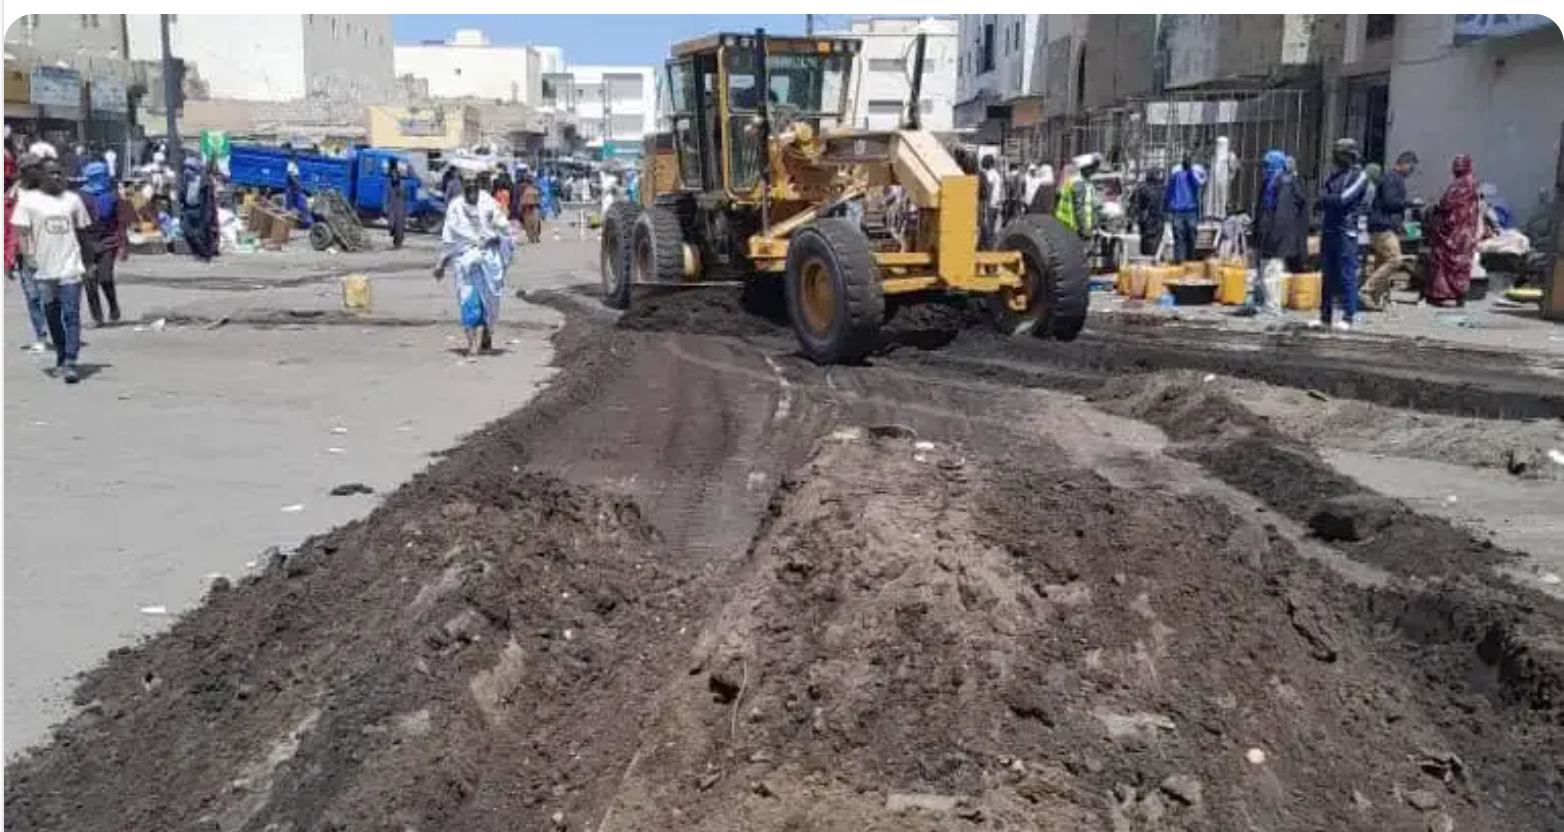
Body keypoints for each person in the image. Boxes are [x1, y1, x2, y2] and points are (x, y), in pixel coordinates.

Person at [11, 159, 92, 382]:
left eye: (59, 173)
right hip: (45, 269)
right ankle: (61, 354)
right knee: (52, 316)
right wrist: (28, 258)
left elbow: (84, 233)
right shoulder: (29, 202)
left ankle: (71, 361)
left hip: (70, 266)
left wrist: (90, 262)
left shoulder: (73, 200)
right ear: (42, 177)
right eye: (51, 173)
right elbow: (22, 233)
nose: (56, 177)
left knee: (72, 314)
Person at [433, 173, 512, 356]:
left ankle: (486, 333)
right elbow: (449, 238)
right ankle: (472, 345)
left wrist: (495, 238)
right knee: (468, 301)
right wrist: (441, 264)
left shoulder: (488, 202)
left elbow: (504, 229)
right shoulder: (455, 207)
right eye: (467, 186)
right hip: (465, 260)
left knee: (489, 302)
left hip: (488, 260)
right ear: (462, 186)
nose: (471, 190)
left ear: (479, 185)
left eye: (474, 186)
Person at [1318, 138, 1370, 330]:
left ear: (1350, 155)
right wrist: (1327, 200)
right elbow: (1321, 197)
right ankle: (1325, 316)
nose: (1336, 158)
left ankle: (1348, 316)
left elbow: (1343, 199)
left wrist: (1327, 200)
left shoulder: (1360, 176)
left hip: (1346, 231)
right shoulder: (1334, 176)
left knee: (1347, 274)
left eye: (1340, 154)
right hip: (1329, 229)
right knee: (1327, 274)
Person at [1250, 149, 1308, 315]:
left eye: (1267, 165)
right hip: (1269, 233)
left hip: (1276, 234)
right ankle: (1270, 304)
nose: (1264, 168)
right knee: (1267, 270)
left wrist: (1272, 235)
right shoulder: (1272, 181)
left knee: (1272, 270)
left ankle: (1273, 307)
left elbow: (1280, 214)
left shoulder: (1283, 182)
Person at [1361, 150, 1417, 311]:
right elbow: (1390, 202)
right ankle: (1367, 289)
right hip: (1383, 226)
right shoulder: (1393, 178)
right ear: (1405, 164)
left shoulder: (1391, 177)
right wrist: (1409, 203)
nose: (1411, 172)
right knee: (1395, 260)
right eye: (1411, 168)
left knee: (1382, 262)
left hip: (1379, 225)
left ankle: (1376, 300)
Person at [1423, 155, 1482, 307]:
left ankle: (1441, 295)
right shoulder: (1472, 183)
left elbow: (1447, 203)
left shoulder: (1461, 184)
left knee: (1444, 260)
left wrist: (1435, 208)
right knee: (1461, 263)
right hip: (1465, 232)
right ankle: (1459, 294)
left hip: (1453, 231)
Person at [8, 152, 52, 352]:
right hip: (24, 253)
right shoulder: (13, 195)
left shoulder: (50, 192)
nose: (37, 172)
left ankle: (59, 331)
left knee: (51, 294)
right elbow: (9, 229)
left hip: (49, 249)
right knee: (33, 296)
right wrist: (8, 258)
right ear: (24, 172)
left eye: (38, 167)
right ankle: (41, 336)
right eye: (32, 168)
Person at [78, 161, 131, 326]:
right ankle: (97, 317)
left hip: (108, 241)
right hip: (85, 242)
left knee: (105, 278)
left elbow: (122, 221)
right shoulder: (79, 196)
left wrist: (123, 245)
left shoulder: (113, 195)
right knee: (90, 281)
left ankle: (113, 306)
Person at [1164, 155, 1204, 262]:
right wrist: (1167, 205)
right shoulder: (1177, 175)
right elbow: (1169, 191)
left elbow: (1199, 183)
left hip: (1189, 210)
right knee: (1180, 236)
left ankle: (1189, 261)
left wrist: (1190, 170)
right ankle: (1181, 261)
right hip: (1180, 210)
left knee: (1188, 236)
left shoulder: (1193, 174)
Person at [180, 157, 217, 262]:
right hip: (188, 209)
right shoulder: (185, 181)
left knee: (203, 234)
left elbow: (209, 200)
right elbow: (182, 195)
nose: (187, 170)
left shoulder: (204, 182)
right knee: (187, 231)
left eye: (190, 168)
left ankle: (205, 254)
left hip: (201, 209)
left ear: (196, 169)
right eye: (186, 167)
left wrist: (209, 214)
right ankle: (197, 252)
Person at [1128, 168, 1167, 257]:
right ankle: (1154, 258)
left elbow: (1133, 203)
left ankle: (1148, 259)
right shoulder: (1163, 188)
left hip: (1147, 219)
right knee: (1155, 241)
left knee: (1147, 241)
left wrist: (1132, 219)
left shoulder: (1141, 187)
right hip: (1157, 219)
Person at [980, 155, 1004, 248]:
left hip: (990, 205)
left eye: (984, 162)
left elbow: (988, 189)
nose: (982, 164)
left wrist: (985, 205)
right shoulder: (996, 174)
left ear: (988, 163)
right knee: (992, 228)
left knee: (987, 228)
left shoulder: (990, 174)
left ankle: (988, 248)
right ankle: (991, 246)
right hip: (995, 205)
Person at [386, 159, 407, 249]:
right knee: (392, 226)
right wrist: (386, 206)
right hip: (392, 208)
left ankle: (398, 243)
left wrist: (400, 191)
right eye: (392, 175)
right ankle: (396, 242)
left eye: (395, 175)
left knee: (399, 227)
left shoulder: (401, 184)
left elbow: (404, 196)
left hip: (399, 208)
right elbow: (387, 196)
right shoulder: (389, 184)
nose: (394, 176)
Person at [517, 175, 543, 244]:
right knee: (535, 223)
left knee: (528, 223)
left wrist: (520, 207)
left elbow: (520, 198)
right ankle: (535, 237)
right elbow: (540, 196)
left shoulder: (521, 187)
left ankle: (531, 238)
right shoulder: (536, 187)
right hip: (534, 206)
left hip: (526, 207)